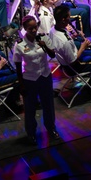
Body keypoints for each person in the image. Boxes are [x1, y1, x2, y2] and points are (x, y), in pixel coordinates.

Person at [13, 15, 59, 144]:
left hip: (44, 76)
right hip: (30, 79)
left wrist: (45, 46)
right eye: (30, 29)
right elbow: (17, 65)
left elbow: (52, 54)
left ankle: (51, 129)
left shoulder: (43, 38)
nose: (34, 31)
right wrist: (21, 84)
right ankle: (31, 133)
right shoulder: (20, 45)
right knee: (30, 108)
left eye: (35, 27)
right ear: (25, 29)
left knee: (48, 105)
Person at [50, 4, 91, 98]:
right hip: (73, 66)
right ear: (63, 19)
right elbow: (73, 61)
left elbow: (66, 43)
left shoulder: (54, 30)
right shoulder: (63, 41)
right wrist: (83, 46)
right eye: (68, 17)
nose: (70, 19)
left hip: (70, 56)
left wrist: (74, 36)